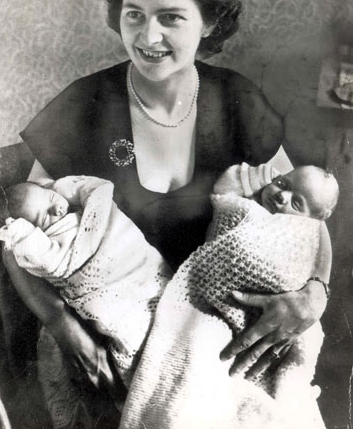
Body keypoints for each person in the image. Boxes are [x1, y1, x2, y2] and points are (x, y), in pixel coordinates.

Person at [0, 0, 333, 428]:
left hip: (219, 341)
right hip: (112, 343)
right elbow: (17, 237)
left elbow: (309, 218)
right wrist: (65, 330)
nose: (148, 37)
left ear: (210, 21)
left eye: (170, 16)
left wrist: (316, 292)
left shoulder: (237, 101)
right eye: (134, 14)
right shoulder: (84, 105)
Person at [119, 163, 338, 429]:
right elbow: (228, 189)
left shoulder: (299, 228)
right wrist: (260, 180)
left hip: (268, 318)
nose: (283, 196)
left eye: (296, 203)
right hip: (196, 298)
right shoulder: (248, 203)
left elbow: (316, 228)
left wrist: (316, 288)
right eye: (283, 185)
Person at [0, 176, 171, 388]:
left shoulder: (80, 209)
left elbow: (97, 190)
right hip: (109, 302)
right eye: (44, 218)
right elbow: (19, 251)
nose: (57, 209)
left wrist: (57, 188)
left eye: (52, 198)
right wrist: (22, 232)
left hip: (146, 273)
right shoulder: (48, 248)